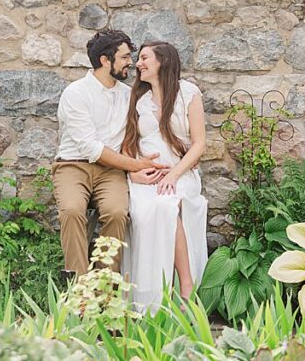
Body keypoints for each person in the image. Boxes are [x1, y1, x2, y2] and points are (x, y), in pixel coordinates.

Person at [53, 29, 168, 277]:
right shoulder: (76, 93)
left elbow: (132, 136)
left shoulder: (128, 95)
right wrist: (135, 166)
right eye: (125, 57)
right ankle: (79, 288)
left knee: (117, 213)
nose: (131, 63)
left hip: (111, 171)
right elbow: (90, 148)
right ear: (106, 61)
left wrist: (133, 165)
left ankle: (105, 289)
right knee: (72, 210)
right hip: (73, 166)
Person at [121, 41, 208, 312]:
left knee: (168, 204)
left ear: (163, 61)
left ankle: (186, 287)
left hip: (181, 175)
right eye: (137, 59)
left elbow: (199, 144)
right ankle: (151, 295)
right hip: (147, 178)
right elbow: (127, 144)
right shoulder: (138, 100)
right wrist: (133, 172)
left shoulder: (188, 93)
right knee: (151, 207)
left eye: (145, 58)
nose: (138, 63)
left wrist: (174, 174)